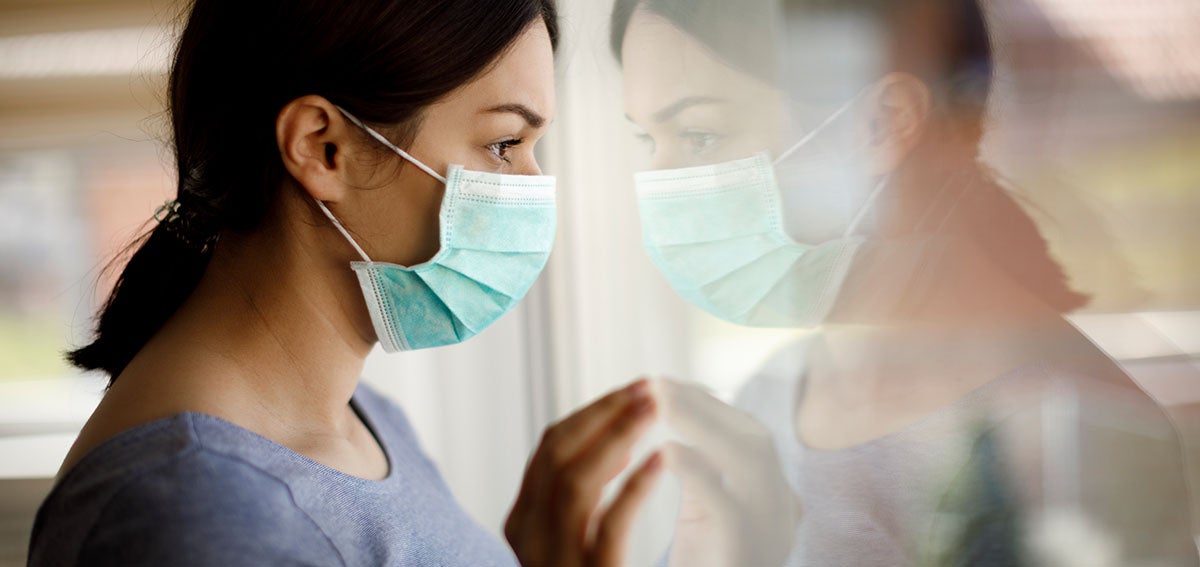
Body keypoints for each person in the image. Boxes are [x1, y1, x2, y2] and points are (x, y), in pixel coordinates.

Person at [29, 1, 664, 565]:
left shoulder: (362, 420)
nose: (533, 187)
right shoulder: (193, 512)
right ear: (323, 147)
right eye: (503, 143)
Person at [612, 0, 1198, 565]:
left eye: (700, 135)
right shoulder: (771, 395)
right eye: (647, 139)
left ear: (882, 124)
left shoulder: (1079, 433)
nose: (658, 185)